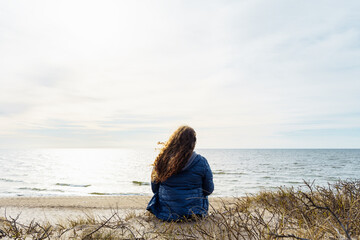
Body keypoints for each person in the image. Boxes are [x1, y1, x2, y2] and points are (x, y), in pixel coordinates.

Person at [146, 125, 214, 221]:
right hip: (194, 214)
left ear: (174, 141)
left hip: (166, 214)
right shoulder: (201, 161)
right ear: (193, 143)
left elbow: (155, 188)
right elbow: (209, 189)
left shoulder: (162, 160)